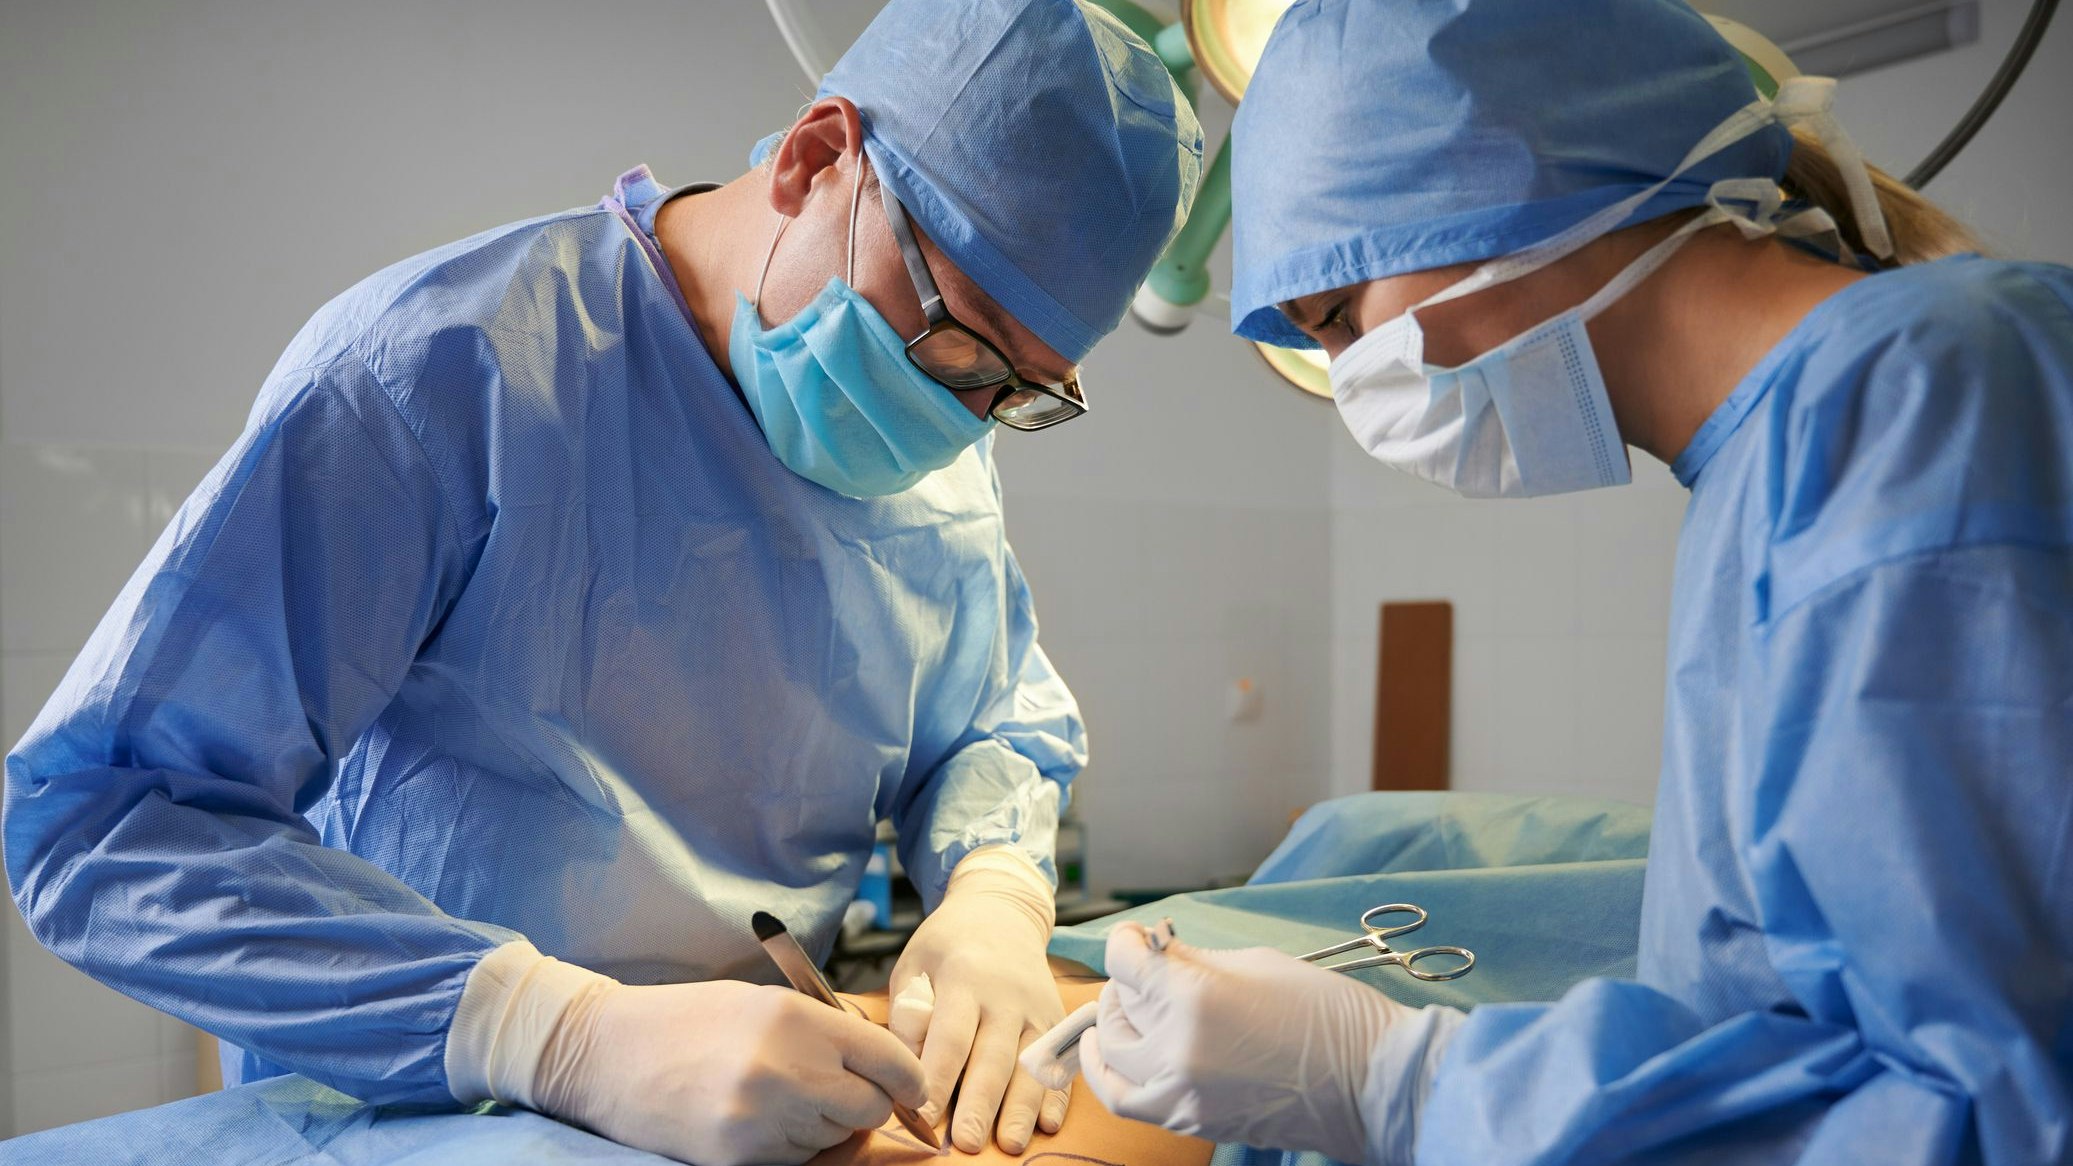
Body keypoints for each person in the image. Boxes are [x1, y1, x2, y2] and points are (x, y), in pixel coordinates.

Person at [2, 1, 1200, 1163]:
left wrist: (992, 893)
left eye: (1022, 389)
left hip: (770, 1125)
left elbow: (984, 723)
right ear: (814, 157)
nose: (965, 411)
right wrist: (556, 1033)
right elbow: (105, 824)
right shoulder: (439, 377)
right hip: (415, 1111)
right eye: (957, 334)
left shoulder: (936, 447)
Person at [1079, 1, 2071, 1164]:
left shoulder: (1921, 400)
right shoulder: (1786, 453)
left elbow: (1996, 1113)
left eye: (1342, 317)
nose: (1351, 383)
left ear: (1497, 181)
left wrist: (1403, 1082)